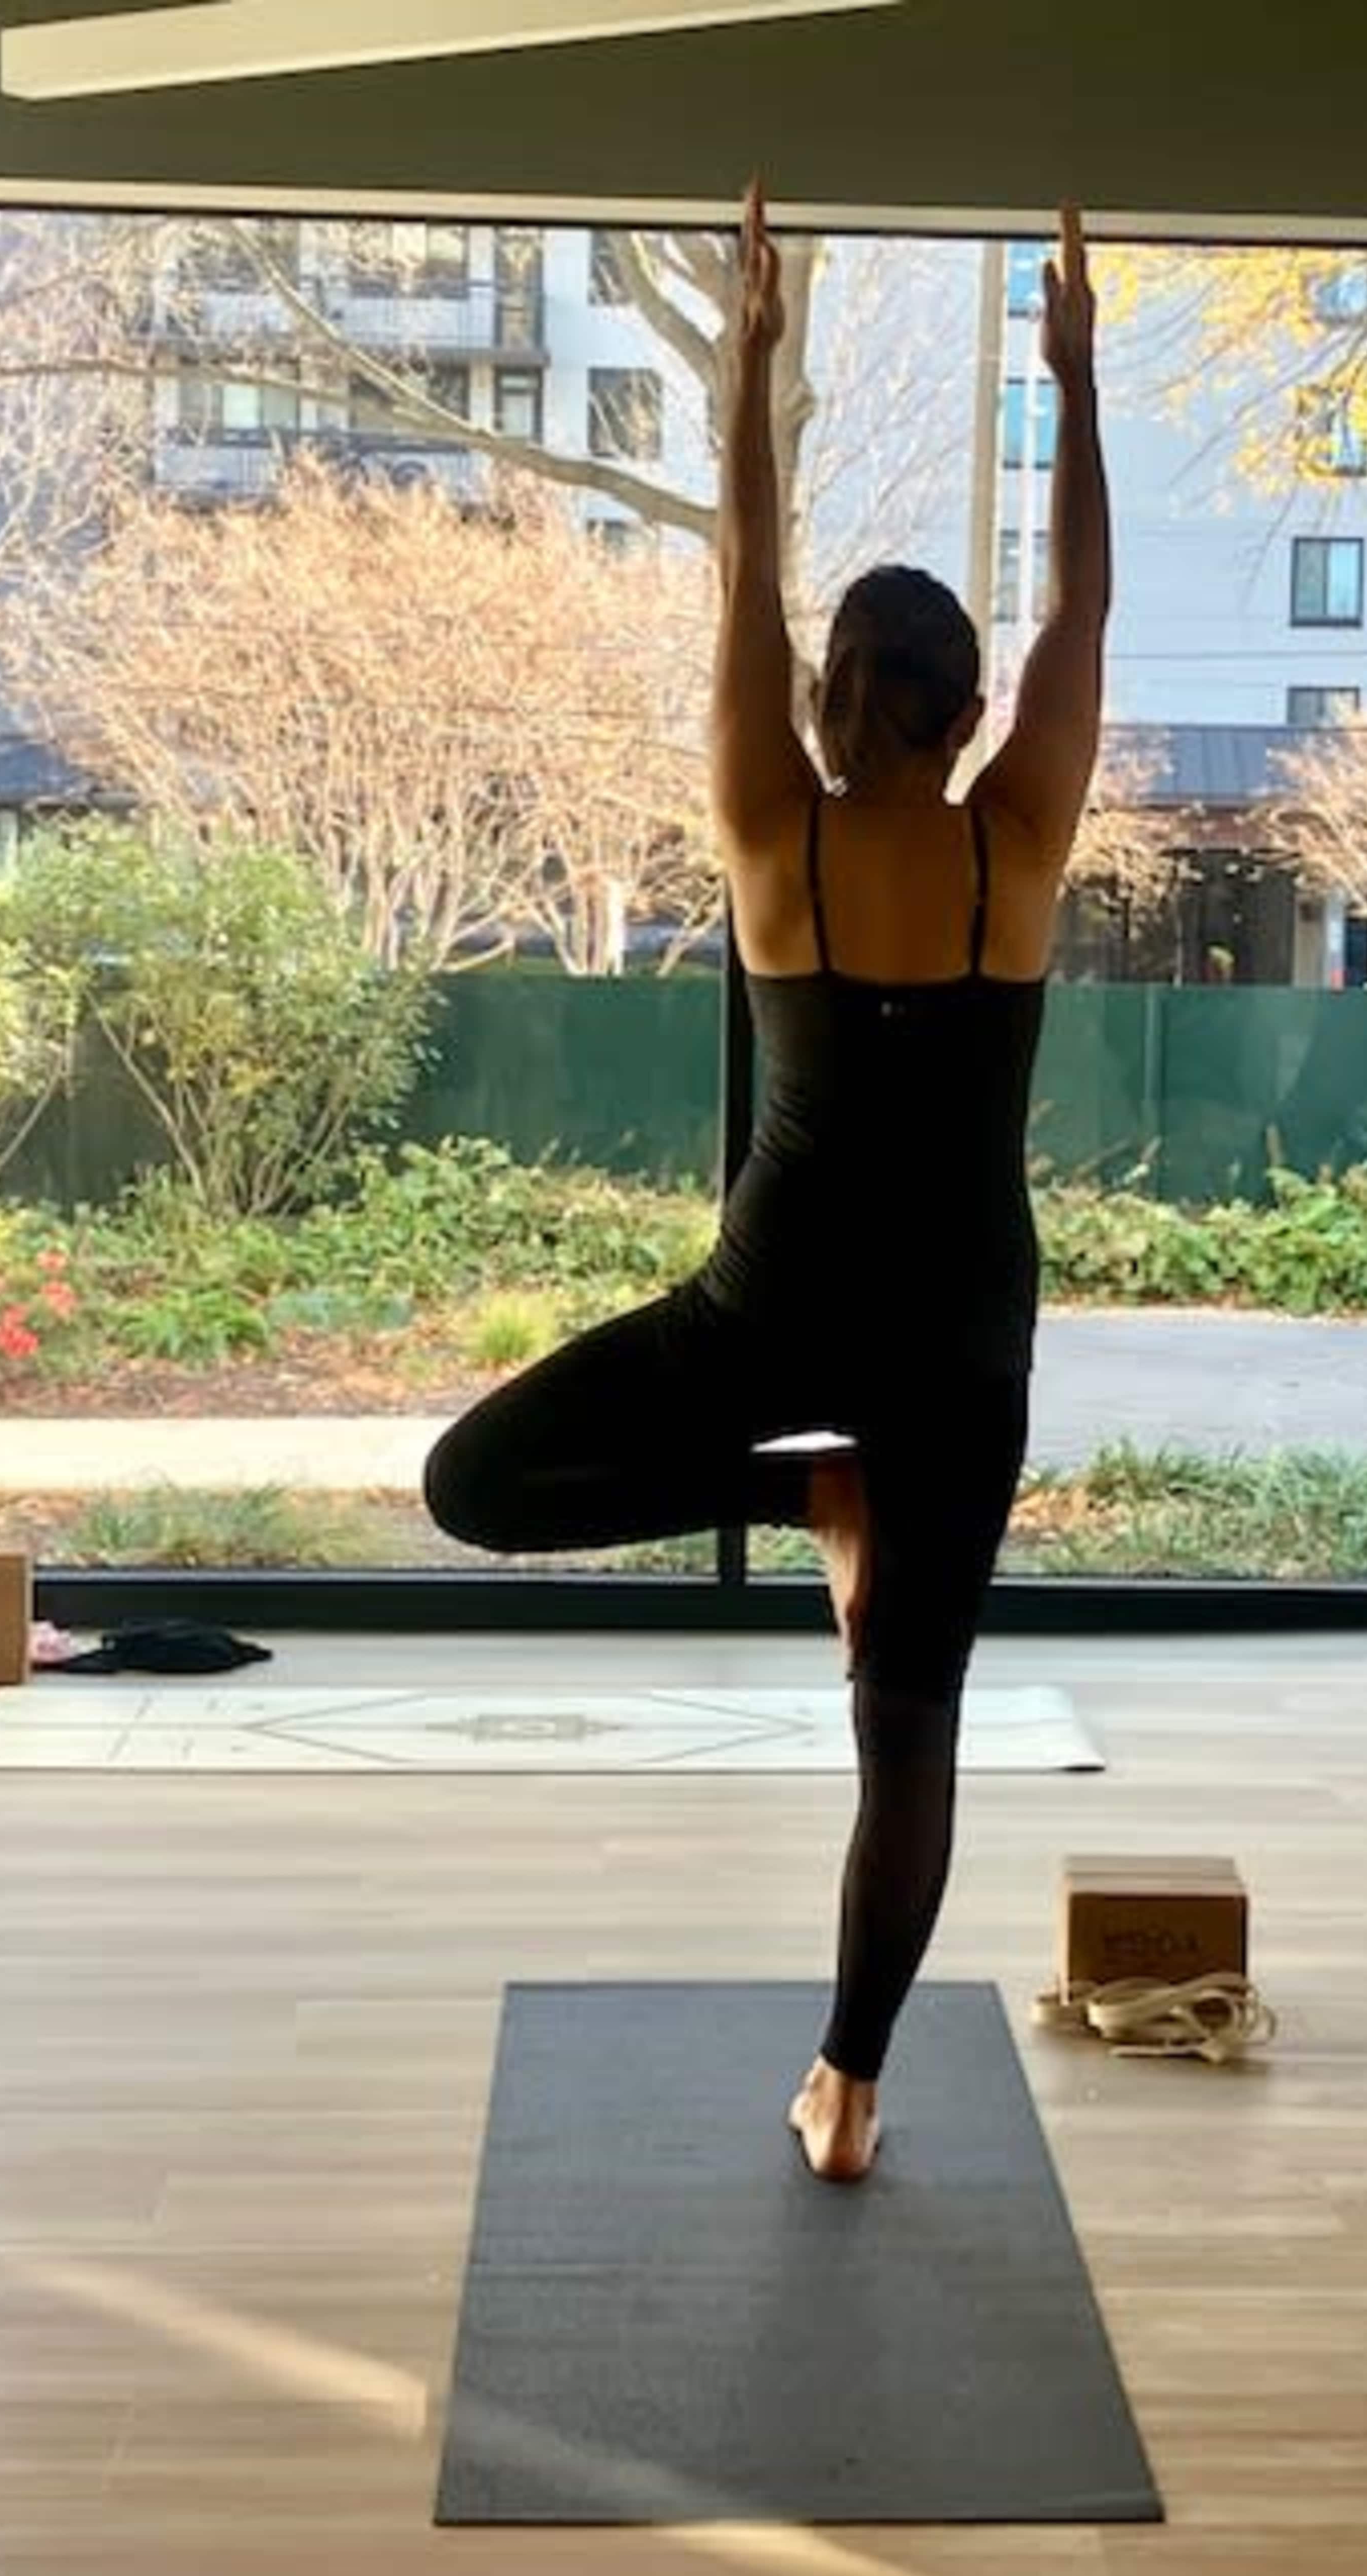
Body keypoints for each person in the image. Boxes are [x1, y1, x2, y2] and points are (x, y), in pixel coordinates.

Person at [424, 186, 1110, 2182]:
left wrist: (750, 364)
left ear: (829, 698)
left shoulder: (768, 831)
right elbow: (1087, 615)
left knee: (477, 1486)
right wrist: (1071, 386)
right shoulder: (1023, 842)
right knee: (911, 1726)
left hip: (776, 1309)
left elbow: (739, 577)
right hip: (965, 1331)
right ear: (970, 710)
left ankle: (795, 1485)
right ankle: (851, 2086)